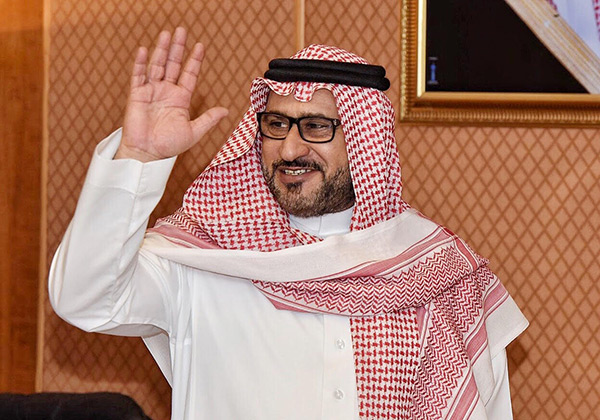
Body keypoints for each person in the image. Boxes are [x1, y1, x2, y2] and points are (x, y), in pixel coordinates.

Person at [49, 27, 528, 420]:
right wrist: (137, 157)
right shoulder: (206, 255)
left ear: (366, 140)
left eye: (316, 126)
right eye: (277, 124)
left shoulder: (435, 271)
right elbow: (85, 299)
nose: (290, 149)